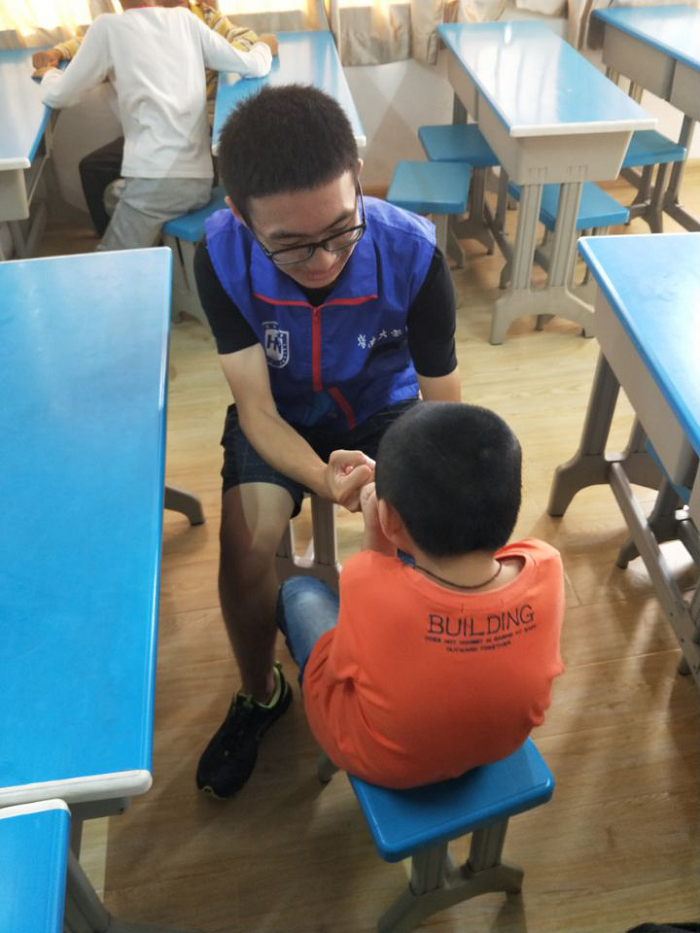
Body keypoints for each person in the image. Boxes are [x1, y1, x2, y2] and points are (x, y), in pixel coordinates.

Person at [193, 84, 462, 798]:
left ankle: (417, 681)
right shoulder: (219, 256)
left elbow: (444, 409)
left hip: (381, 407)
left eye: (342, 229)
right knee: (246, 546)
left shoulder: (413, 252)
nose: (322, 260)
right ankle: (261, 692)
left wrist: (423, 486)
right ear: (240, 215)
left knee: (425, 526)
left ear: (358, 178)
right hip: (281, 413)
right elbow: (255, 410)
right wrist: (323, 477)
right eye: (291, 245)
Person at [278, 401, 565, 788]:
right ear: (512, 503)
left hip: (385, 760)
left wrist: (377, 531)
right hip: (497, 744)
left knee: (299, 592)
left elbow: (341, 666)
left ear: (389, 518)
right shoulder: (547, 565)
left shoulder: (367, 583)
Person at [37, 0, 272, 250]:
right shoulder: (186, 20)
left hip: (159, 181)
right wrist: (263, 46)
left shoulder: (108, 27)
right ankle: (155, 243)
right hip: (200, 179)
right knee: (111, 195)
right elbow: (254, 65)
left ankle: (157, 261)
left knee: (109, 263)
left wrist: (50, 74)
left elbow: (59, 96)